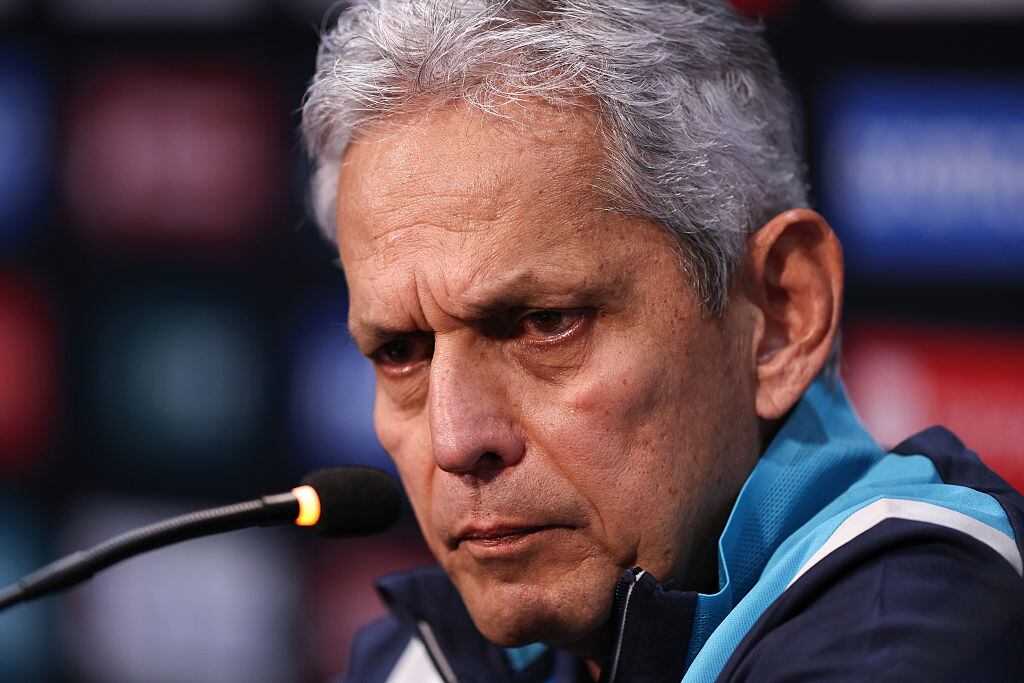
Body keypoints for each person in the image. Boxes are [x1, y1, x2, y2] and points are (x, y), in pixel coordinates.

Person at [301, 1, 1024, 680]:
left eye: (545, 323)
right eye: (400, 351)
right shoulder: (428, 654)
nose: (455, 440)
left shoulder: (925, 618)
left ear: (781, 314)